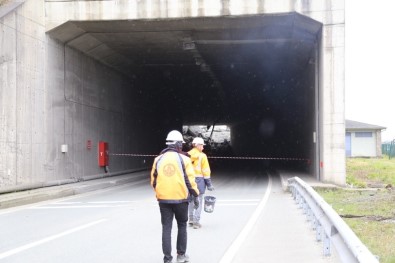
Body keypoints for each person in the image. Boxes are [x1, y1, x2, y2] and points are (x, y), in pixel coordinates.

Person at [151, 130, 200, 263]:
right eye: (181, 144)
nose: (182, 146)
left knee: (166, 228)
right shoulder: (184, 159)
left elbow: (153, 181)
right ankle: (181, 255)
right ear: (178, 144)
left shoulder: (158, 159)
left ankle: (167, 259)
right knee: (182, 226)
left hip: (163, 199)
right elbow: (190, 180)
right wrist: (195, 195)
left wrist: (161, 192)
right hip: (181, 199)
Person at [188, 137, 214, 229]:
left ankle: (190, 219)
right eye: (202, 145)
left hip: (189, 181)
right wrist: (209, 184)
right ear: (197, 145)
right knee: (198, 200)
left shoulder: (187, 155)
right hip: (199, 181)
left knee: (190, 200)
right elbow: (206, 171)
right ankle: (196, 221)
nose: (203, 147)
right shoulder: (202, 156)